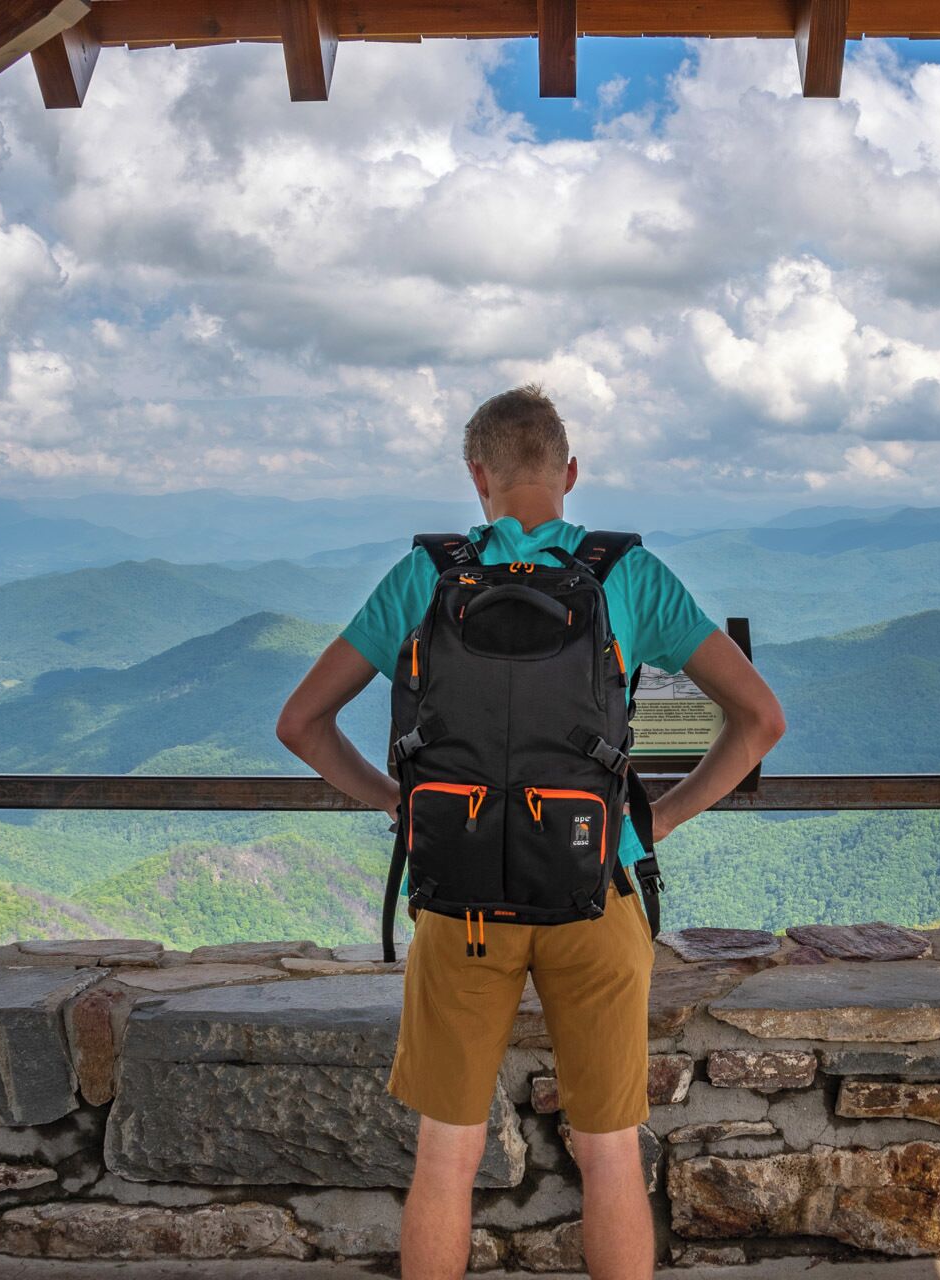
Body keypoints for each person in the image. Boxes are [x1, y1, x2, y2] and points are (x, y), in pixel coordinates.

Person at [276, 385, 785, 1280]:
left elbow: (301, 724)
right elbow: (761, 720)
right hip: (598, 888)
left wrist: (398, 805)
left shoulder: (426, 577)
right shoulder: (628, 574)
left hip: (459, 898)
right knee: (610, 1150)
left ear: (477, 477)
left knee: (447, 1151)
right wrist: (656, 821)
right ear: (570, 473)